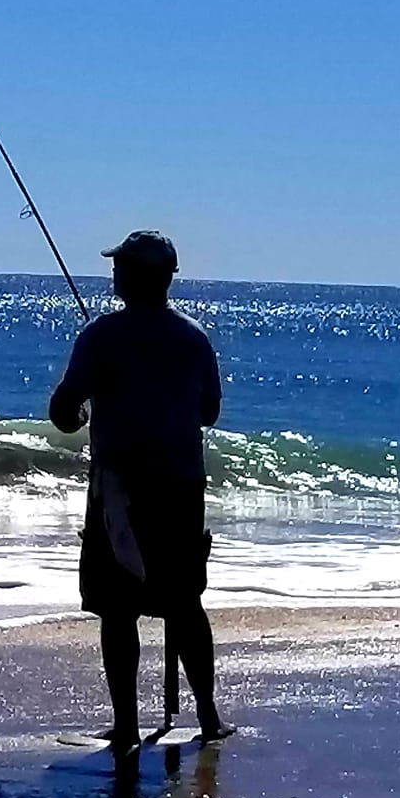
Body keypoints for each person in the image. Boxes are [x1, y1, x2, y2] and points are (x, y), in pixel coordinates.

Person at [49, 230, 234, 749]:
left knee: (117, 607)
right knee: (184, 602)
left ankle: (127, 724)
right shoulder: (195, 337)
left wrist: (86, 409)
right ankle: (209, 716)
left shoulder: (100, 335)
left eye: (121, 266)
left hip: (119, 492)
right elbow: (210, 412)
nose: (114, 273)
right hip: (180, 487)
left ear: (133, 276)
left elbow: (63, 412)